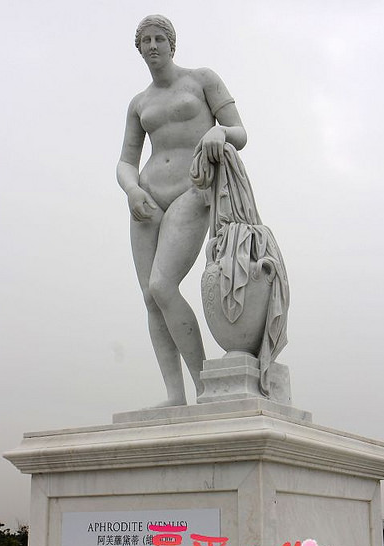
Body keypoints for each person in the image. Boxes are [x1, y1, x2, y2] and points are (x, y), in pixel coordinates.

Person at [117, 15, 247, 406]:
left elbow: (240, 132)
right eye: (146, 41)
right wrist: (131, 189)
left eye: (159, 38)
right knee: (150, 297)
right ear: (139, 49)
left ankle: (204, 386)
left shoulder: (202, 79)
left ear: (172, 44)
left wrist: (220, 131)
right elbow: (126, 160)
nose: (153, 46)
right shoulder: (139, 103)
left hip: (193, 189)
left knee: (163, 286)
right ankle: (175, 395)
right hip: (148, 196)